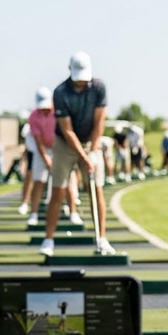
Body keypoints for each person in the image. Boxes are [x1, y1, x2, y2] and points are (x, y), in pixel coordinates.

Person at [40, 52, 112, 257]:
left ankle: (102, 239)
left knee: (96, 190)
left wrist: (94, 148)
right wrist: (83, 156)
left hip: (90, 141)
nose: (80, 82)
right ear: (69, 70)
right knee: (58, 191)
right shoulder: (60, 92)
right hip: (64, 144)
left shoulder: (98, 87)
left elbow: (99, 122)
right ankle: (48, 240)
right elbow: (67, 130)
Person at [24, 86, 78, 225]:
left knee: (66, 181)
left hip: (60, 148)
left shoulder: (59, 111)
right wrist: (46, 158)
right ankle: (33, 214)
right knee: (39, 181)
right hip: (42, 149)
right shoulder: (34, 116)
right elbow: (38, 140)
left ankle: (73, 212)